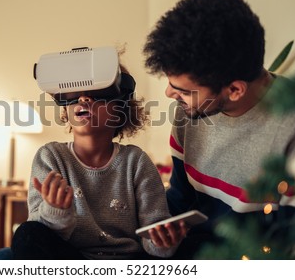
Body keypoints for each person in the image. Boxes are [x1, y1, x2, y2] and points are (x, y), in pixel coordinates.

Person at [142, 0, 295, 258]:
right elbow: (178, 202)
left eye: (183, 91)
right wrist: (164, 236)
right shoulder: (190, 112)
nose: (169, 95)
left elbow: (292, 249)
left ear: (234, 90)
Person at [10, 61, 187, 259]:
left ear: (120, 112)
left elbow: (154, 232)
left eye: (98, 93)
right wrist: (55, 210)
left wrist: (163, 241)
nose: (84, 98)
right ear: (66, 111)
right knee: (26, 234)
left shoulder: (136, 162)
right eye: (73, 94)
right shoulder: (50, 156)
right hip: (73, 260)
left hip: (126, 262)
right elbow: (38, 233)